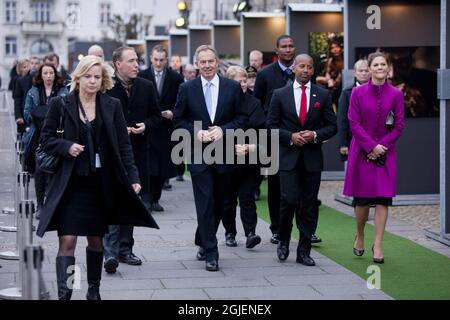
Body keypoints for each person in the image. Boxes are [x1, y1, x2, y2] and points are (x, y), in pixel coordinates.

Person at [36, 55, 158, 300]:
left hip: (100, 184)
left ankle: (93, 290)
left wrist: (133, 177)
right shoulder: (61, 105)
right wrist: (67, 146)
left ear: (103, 80)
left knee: (95, 243)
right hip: (70, 185)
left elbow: (124, 146)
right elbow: (46, 140)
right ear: (78, 78)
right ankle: (67, 293)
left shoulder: (111, 105)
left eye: (97, 77)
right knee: (67, 241)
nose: (92, 81)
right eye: (88, 76)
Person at [173, 45, 246, 271]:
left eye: (210, 61)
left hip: (224, 153)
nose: (206, 65)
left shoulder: (232, 88)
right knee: (205, 202)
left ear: (217, 63)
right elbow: (178, 120)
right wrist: (197, 132)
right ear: (197, 64)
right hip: (198, 153)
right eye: (202, 62)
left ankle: (204, 239)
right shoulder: (187, 88)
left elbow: (243, 117)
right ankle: (212, 252)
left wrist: (224, 130)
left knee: (221, 202)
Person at [266, 54, 337, 266]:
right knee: (288, 200)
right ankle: (283, 240)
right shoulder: (279, 94)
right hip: (287, 158)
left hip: (312, 159)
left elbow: (332, 126)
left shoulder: (323, 95)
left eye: (309, 67)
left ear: (313, 70)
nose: (305, 70)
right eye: (301, 66)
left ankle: (304, 250)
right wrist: (290, 137)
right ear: (294, 69)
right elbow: (270, 126)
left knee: (308, 205)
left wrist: (315, 135)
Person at [103, 47, 162, 273]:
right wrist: (118, 130)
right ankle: (110, 251)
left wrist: (145, 126)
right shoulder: (106, 87)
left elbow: (157, 116)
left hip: (137, 153)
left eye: (137, 61)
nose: (137, 64)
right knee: (112, 201)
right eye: (131, 61)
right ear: (118, 64)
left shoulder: (146, 86)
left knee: (132, 201)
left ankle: (125, 250)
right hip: (111, 154)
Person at [343, 52, 405, 264]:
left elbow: (398, 126)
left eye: (383, 64)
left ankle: (377, 245)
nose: (380, 68)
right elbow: (354, 122)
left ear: (388, 68)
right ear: (369, 69)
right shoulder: (357, 94)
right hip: (361, 152)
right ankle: (360, 235)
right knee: (362, 201)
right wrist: (370, 146)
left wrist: (382, 147)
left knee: (382, 200)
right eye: (375, 65)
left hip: (386, 154)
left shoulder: (396, 94)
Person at [254, 35, 296, 245]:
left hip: (299, 137)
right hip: (273, 137)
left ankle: (304, 227)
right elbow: (257, 104)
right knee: (276, 185)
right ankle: (277, 228)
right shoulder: (265, 75)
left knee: (299, 183)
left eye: (291, 46)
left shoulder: (303, 71)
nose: (288, 50)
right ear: (276, 50)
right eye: (284, 47)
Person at [221, 66, 265, 248]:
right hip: (227, 157)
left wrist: (250, 146)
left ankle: (250, 233)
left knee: (247, 196)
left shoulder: (254, 103)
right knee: (228, 199)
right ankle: (230, 232)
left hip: (250, 159)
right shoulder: (223, 103)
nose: (243, 84)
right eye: (238, 81)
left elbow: (262, 129)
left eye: (245, 80)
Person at [138, 45, 184, 209]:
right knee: (148, 165)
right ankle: (147, 198)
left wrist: (172, 112)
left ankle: (156, 198)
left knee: (162, 165)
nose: (158, 63)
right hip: (148, 126)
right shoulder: (141, 76)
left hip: (166, 127)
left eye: (161, 60)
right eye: (155, 59)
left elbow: (180, 102)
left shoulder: (175, 78)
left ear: (166, 60)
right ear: (151, 58)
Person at [23, 64, 68, 218]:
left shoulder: (62, 91)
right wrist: (42, 116)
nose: (48, 76)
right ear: (41, 75)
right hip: (38, 135)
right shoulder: (33, 92)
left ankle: (51, 203)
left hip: (56, 135)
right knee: (39, 170)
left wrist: (45, 115)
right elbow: (27, 113)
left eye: (51, 73)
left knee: (53, 169)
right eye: (45, 73)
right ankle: (40, 204)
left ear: (55, 75)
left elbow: (64, 111)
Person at [337, 59, 370, 162]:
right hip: (353, 140)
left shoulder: (378, 91)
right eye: (361, 71)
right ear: (355, 73)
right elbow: (342, 120)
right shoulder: (347, 93)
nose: (364, 73)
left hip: (373, 140)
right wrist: (343, 144)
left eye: (366, 70)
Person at [315, 40, 344, 109]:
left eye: (336, 47)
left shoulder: (345, 59)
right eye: (332, 48)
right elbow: (327, 73)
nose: (335, 49)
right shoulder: (331, 60)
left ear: (341, 48)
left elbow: (342, 74)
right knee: (318, 79)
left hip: (342, 81)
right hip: (332, 81)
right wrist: (329, 80)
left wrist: (337, 80)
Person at [13, 59, 31, 133]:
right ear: (20, 68)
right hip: (21, 110)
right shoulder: (18, 79)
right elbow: (17, 98)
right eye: (24, 67)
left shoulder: (32, 78)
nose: (27, 68)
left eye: (28, 66)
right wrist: (18, 115)